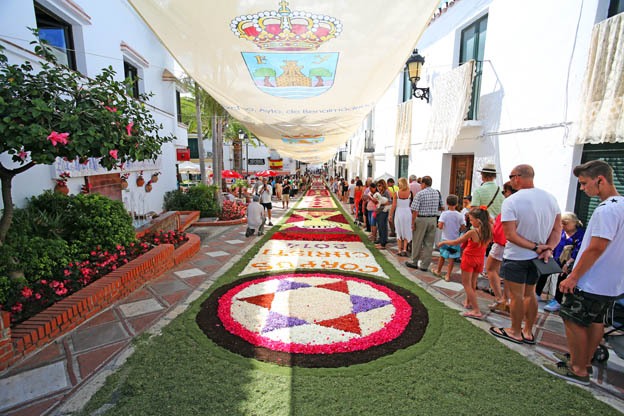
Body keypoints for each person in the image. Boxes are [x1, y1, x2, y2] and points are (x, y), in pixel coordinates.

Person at [543, 160, 623, 385]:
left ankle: (577, 368)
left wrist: (574, 276)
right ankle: (583, 361)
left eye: (584, 183)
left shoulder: (606, 210)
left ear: (601, 180)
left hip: (592, 280)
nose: (582, 189)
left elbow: (596, 247)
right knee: (595, 321)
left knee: (573, 319)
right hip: (611, 283)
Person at [489, 164, 561, 345]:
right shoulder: (550, 198)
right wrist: (548, 248)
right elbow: (557, 229)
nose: (511, 179)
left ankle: (514, 330)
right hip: (538, 259)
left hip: (518, 256)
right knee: (530, 294)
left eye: (511, 176)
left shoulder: (511, 201)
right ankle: (528, 331)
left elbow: (511, 235)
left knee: (517, 296)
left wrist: (536, 247)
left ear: (518, 177)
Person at [439, 206, 492, 319]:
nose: (471, 222)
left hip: (469, 259)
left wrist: (443, 243)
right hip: (480, 259)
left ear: (478, 221)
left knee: (467, 284)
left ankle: (476, 310)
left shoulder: (472, 232)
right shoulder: (488, 231)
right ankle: (468, 302)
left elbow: (456, 242)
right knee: (472, 283)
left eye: (472, 220)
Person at [540, 212, 585, 312]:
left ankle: (558, 301)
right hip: (557, 259)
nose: (563, 226)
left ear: (574, 223)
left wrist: (568, 263)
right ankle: (537, 293)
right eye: (562, 224)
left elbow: (578, 250)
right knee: (543, 271)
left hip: (570, 262)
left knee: (562, 278)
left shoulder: (581, 234)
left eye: (565, 223)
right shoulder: (562, 233)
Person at [487, 181, 517, 313]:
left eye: (504, 192)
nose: (503, 195)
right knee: (508, 274)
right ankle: (506, 300)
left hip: (502, 242)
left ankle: (501, 299)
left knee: (491, 268)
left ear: (509, 192)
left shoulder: (510, 204)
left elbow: (502, 226)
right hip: (513, 244)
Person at [406, 176, 444, 271]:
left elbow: (414, 210)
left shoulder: (420, 194)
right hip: (433, 219)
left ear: (423, 184)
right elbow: (442, 207)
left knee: (417, 241)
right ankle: (424, 265)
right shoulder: (437, 193)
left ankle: (414, 261)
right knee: (429, 243)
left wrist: (412, 223)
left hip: (421, 219)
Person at [434, 195, 466, 281]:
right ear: (456, 204)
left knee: (442, 256)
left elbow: (440, 226)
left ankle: (438, 270)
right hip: (455, 240)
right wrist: (458, 229)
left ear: (447, 203)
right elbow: (463, 227)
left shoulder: (444, 214)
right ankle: (448, 275)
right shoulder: (459, 215)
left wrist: (440, 225)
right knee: (451, 259)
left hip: (444, 239)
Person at [391, 178, 413, 257]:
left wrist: (390, 214)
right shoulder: (410, 193)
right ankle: (404, 249)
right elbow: (411, 204)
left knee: (398, 230)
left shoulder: (396, 193)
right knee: (407, 230)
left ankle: (399, 250)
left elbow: (394, 205)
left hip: (399, 212)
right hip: (407, 212)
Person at [373, 179, 392, 249]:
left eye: (380, 185)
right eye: (377, 186)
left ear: (383, 185)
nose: (378, 187)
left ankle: (383, 243)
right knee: (380, 227)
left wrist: (381, 202)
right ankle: (381, 240)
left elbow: (389, 202)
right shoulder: (379, 192)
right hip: (379, 211)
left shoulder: (386, 192)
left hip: (383, 212)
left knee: (383, 227)